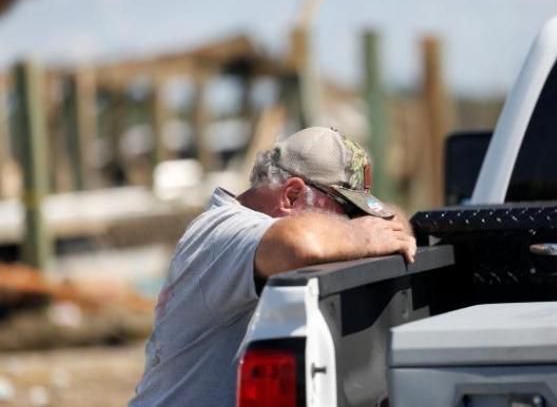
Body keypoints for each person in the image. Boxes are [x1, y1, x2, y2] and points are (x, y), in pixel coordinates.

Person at [129, 126, 416, 407]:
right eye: (346, 213)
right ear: (291, 195)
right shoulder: (222, 229)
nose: (350, 224)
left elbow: (393, 224)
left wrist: (376, 228)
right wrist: (363, 236)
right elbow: (301, 242)